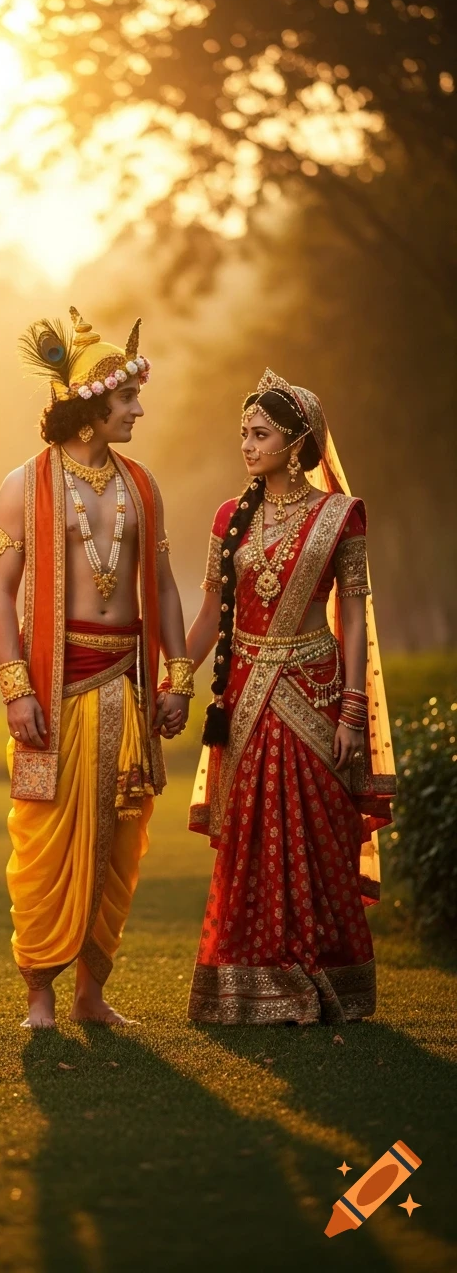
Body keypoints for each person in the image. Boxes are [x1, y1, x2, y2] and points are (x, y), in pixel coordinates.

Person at [0, 307, 193, 1028]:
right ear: (89, 409)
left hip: (125, 689)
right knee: (44, 839)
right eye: (127, 399)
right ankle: (39, 992)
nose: (138, 410)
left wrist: (178, 677)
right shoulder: (24, 484)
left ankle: (91, 993)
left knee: (119, 845)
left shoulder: (142, 486)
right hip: (55, 685)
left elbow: (163, 588)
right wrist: (15, 689)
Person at [184, 369, 396, 1025]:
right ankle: (251, 988)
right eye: (243, 433)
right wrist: (170, 676)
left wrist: (355, 710)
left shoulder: (342, 516)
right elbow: (209, 615)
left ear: (299, 442)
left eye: (260, 434)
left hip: (317, 692)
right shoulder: (229, 517)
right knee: (251, 837)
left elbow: (354, 616)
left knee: (318, 832)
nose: (246, 445)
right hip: (246, 698)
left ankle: (326, 980)